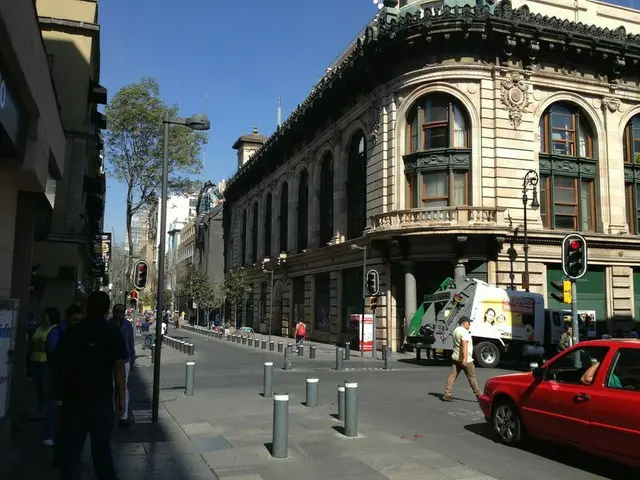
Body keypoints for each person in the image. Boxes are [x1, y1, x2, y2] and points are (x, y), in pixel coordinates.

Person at [56, 291, 126, 480]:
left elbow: (58, 363)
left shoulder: (72, 332)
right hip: (101, 399)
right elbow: (119, 367)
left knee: (72, 451)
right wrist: (121, 398)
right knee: (102, 451)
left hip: (74, 399)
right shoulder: (111, 332)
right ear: (107, 309)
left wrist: (59, 393)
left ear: (87, 306)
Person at [30, 308, 59, 445]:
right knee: (38, 389)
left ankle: (48, 418)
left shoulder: (54, 330)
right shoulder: (39, 327)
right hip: (34, 361)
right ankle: (40, 412)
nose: (44, 317)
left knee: (47, 390)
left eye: (46, 315)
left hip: (45, 362)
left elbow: (50, 347)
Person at [442, 316, 482, 402]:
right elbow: (464, 345)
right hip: (466, 360)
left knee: (452, 376)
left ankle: (447, 394)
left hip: (456, 358)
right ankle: (479, 396)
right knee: (472, 377)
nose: (470, 324)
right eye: (469, 323)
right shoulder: (464, 332)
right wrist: (465, 359)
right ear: (464, 323)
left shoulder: (456, 330)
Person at [108, 303, 135, 427]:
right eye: (117, 312)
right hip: (110, 360)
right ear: (113, 312)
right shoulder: (108, 324)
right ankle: (113, 411)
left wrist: (132, 358)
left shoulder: (128, 325)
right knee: (112, 386)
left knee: (123, 387)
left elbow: (131, 342)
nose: (119, 314)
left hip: (125, 360)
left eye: (122, 312)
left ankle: (124, 415)